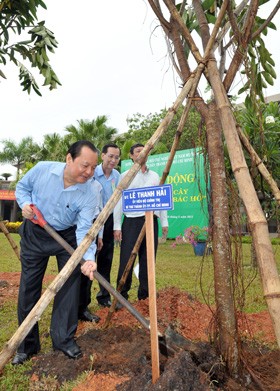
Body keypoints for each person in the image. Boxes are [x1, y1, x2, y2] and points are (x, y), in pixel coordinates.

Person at [13, 140, 99, 365]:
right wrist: (25, 204)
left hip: (67, 237)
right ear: (69, 158)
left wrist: (88, 259)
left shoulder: (90, 192)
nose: (89, 172)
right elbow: (22, 188)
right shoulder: (42, 169)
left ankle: (63, 340)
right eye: (85, 165)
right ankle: (27, 345)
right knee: (29, 288)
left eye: (93, 168)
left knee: (69, 288)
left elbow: (83, 230)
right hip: (36, 231)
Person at [113, 143, 168, 304]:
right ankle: (122, 295)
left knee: (148, 258)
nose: (142, 153)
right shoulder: (125, 176)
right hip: (131, 222)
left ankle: (145, 295)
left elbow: (160, 199)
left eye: (145, 151)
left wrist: (164, 221)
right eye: (138, 151)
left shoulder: (155, 176)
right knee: (126, 258)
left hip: (152, 221)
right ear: (131, 155)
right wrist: (117, 225)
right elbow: (118, 202)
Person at [94, 143, 121, 307]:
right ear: (103, 155)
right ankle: (82, 301)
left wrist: (116, 226)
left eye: (116, 157)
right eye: (110, 156)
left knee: (106, 260)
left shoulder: (117, 176)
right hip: (92, 220)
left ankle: (104, 297)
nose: (113, 160)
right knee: (89, 258)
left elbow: (118, 202)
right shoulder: (92, 173)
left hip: (109, 221)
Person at [78, 178, 103, 319]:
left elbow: (99, 212)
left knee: (88, 270)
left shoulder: (97, 185)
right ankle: (70, 308)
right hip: (72, 226)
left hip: (90, 227)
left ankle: (82, 308)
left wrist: (99, 235)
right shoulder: (73, 181)